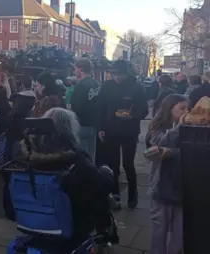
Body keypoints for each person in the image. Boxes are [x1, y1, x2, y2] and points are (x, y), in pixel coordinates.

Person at [22, 108, 115, 250]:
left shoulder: (29, 155)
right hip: (72, 220)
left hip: (35, 217)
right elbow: (99, 185)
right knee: (100, 193)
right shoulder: (76, 157)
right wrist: (106, 172)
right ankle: (106, 233)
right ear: (69, 129)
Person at [97, 60, 148, 209]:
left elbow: (143, 110)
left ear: (127, 74)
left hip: (129, 131)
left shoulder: (137, 88)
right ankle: (114, 193)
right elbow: (100, 108)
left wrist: (132, 116)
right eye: (114, 74)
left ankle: (133, 193)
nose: (117, 77)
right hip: (110, 130)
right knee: (112, 164)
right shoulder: (106, 86)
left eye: (120, 74)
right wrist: (100, 127)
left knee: (128, 164)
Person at [146, 94, 186, 254]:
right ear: (169, 109)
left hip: (181, 186)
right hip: (162, 184)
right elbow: (159, 144)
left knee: (179, 231)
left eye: (187, 107)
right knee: (159, 230)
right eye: (182, 108)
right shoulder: (158, 126)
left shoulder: (190, 126)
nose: (187, 111)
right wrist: (178, 128)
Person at [71, 58, 100, 162]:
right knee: (91, 154)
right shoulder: (96, 83)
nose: (74, 71)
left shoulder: (80, 85)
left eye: (75, 69)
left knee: (82, 155)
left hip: (81, 124)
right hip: (93, 124)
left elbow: (77, 106)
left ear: (80, 69)